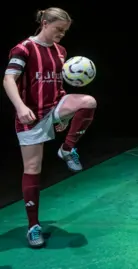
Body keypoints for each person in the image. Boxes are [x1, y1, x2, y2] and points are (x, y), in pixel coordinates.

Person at [3, 7, 97, 248]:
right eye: (58, 29)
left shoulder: (61, 51)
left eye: (64, 31)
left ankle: (68, 149)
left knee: (88, 102)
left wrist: (65, 112)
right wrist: (21, 107)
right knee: (33, 168)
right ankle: (33, 226)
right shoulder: (23, 48)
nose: (61, 35)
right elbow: (8, 79)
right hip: (31, 115)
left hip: (54, 106)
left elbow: (58, 83)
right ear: (44, 22)